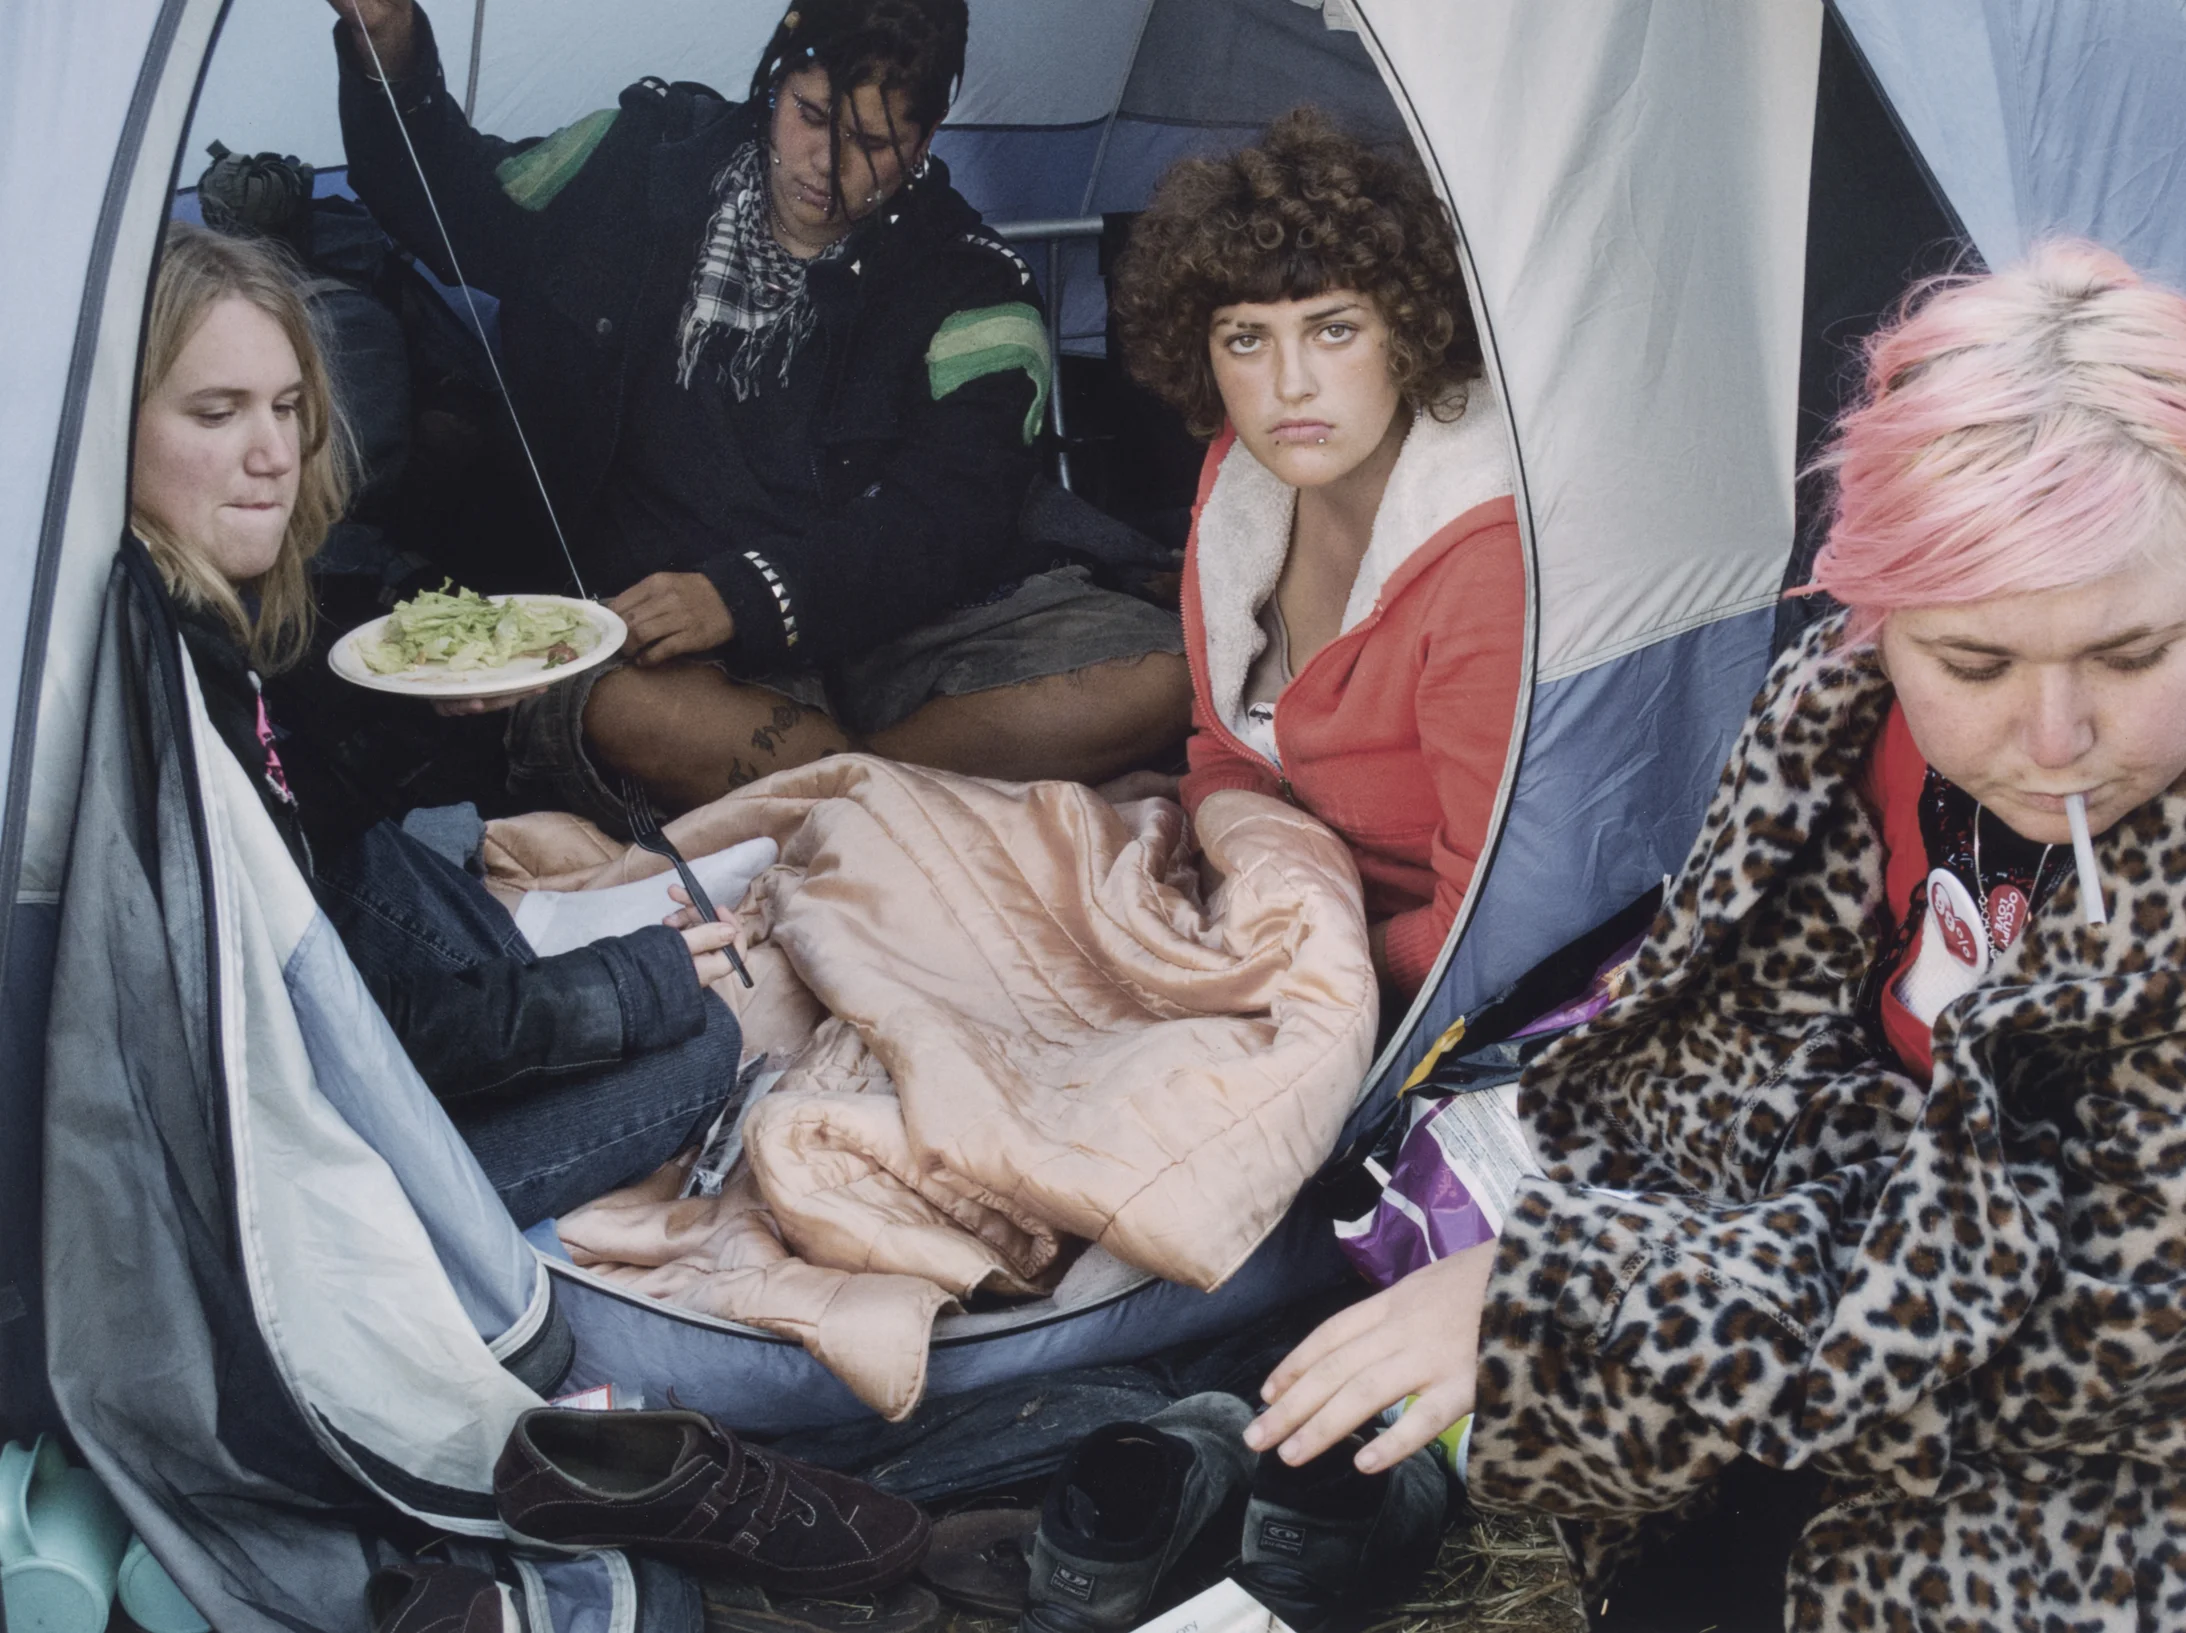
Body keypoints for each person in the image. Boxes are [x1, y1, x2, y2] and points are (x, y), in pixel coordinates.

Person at [1243, 241, 2186, 1629]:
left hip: (2093, 1441)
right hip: (1819, 1310)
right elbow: (1714, 1059)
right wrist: (1599, 1245)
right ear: (1874, 617)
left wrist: (1579, 1290)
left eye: (2131, 653)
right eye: (1972, 662)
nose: (2054, 739)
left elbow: (2099, 1314)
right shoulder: (1834, 728)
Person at [325, 0, 1191, 828]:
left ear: (925, 140)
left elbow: (949, 515)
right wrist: (388, 38)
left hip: (902, 628)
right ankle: (911, 787)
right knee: (626, 713)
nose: (827, 165)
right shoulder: (633, 160)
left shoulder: (977, 284)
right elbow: (451, 203)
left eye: (873, 143)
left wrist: (750, 593)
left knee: (1167, 677)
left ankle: (841, 783)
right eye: (810, 116)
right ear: (774, 86)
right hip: (672, 635)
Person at [133, 219, 749, 1228]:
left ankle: (543, 952)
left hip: (300, 1041)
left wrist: (425, 711)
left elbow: (309, 841)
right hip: (275, 1176)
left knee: (368, 857)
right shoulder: (152, 669)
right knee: (701, 1045)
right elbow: (331, 1032)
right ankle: (555, 971)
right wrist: (624, 987)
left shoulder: (181, 605)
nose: (274, 455)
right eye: (216, 413)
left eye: (287, 408)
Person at [1110, 110, 1525, 999]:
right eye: (1246, 338)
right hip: (1268, 903)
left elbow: (1491, 921)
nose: (1289, 386)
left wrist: (1301, 974)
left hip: (1408, 971)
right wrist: (1242, 883)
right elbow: (1221, 748)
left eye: (1334, 330)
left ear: (1407, 332)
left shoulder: (1481, 561)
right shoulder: (1240, 482)